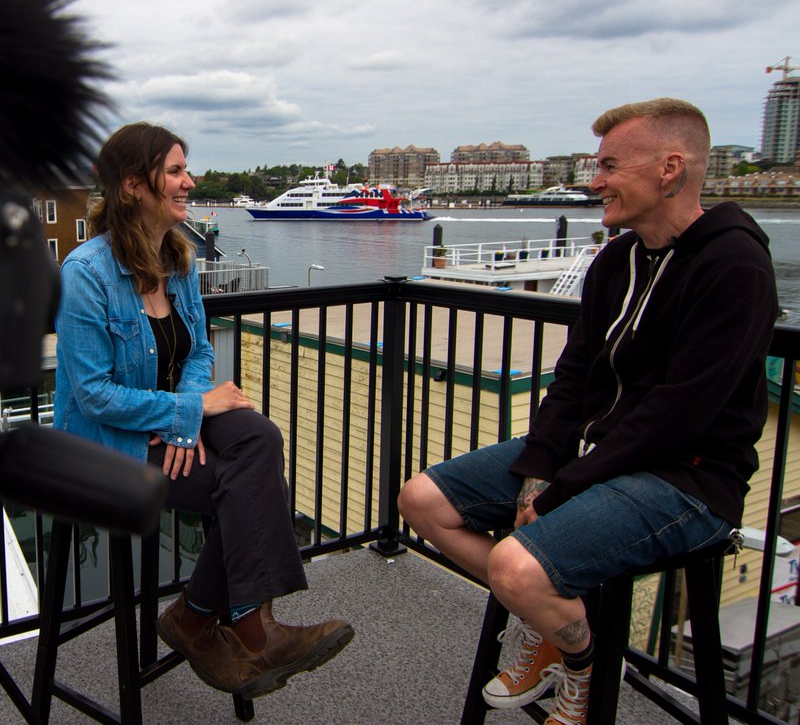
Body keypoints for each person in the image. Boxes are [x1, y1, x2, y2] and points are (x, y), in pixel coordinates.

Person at [398, 98, 777, 725]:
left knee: (516, 566)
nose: (595, 181)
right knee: (421, 501)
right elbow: (573, 378)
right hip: (595, 454)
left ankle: (582, 655)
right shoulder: (616, 260)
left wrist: (563, 489)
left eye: (609, 166)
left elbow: (678, 415)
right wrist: (541, 469)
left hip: (687, 477)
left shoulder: (734, 266)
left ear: (670, 169)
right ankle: (559, 628)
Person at [53, 122, 354, 699]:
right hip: (104, 445)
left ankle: (204, 618)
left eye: (185, 170)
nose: (189, 182)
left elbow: (198, 352)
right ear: (133, 185)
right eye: (175, 171)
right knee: (239, 482)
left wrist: (185, 417)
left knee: (259, 439)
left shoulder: (178, 260)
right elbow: (94, 395)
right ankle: (234, 626)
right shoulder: (85, 274)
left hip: (167, 424)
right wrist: (186, 414)